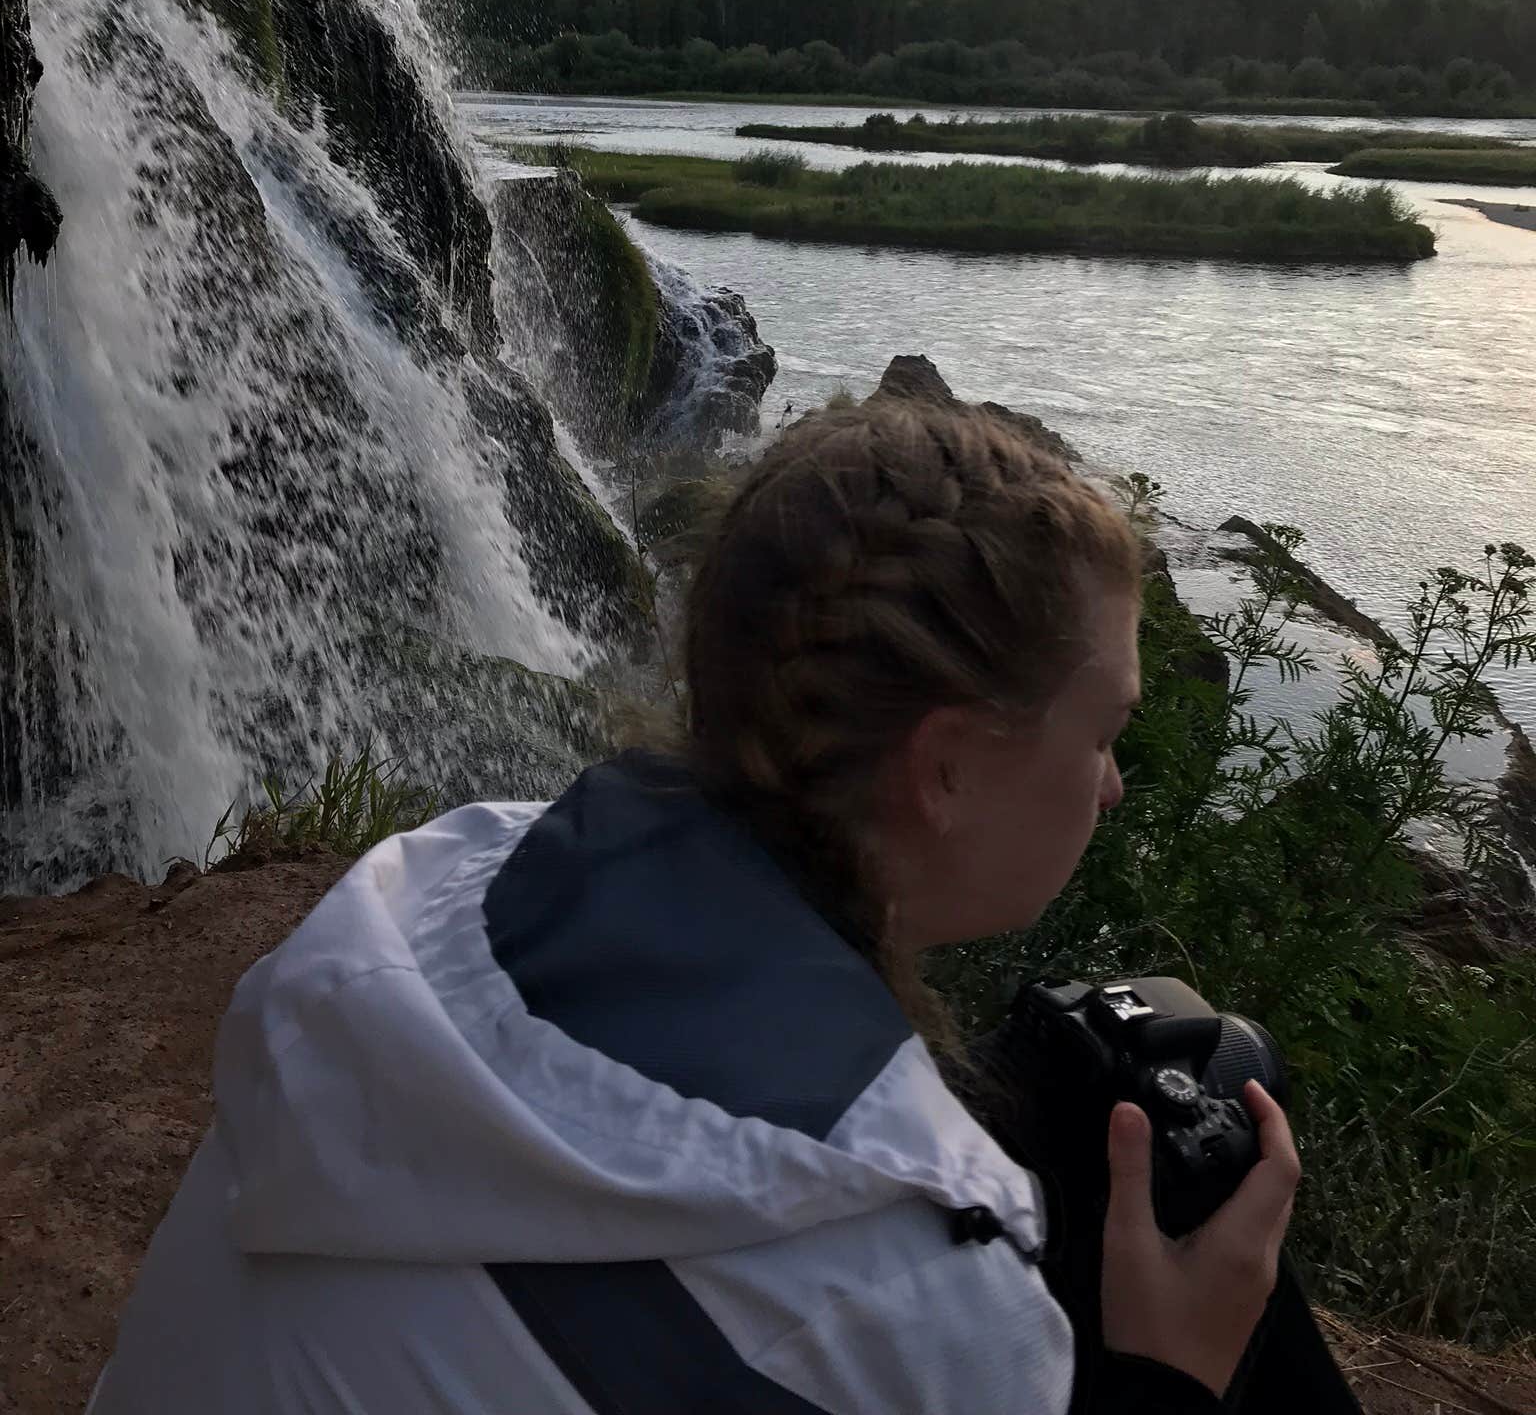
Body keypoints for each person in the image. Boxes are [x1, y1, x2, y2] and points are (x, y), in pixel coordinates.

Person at [92, 398, 1301, 1414]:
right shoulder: (926, 1303)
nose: (1113, 782)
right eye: (1105, 730)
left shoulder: (437, 888)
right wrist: (1169, 1378)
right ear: (946, 768)